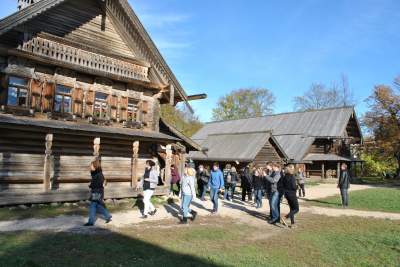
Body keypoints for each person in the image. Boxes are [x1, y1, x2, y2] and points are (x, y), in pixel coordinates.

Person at [84, 161, 112, 226]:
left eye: (91, 165)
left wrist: (91, 184)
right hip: (95, 191)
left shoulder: (99, 174)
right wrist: (91, 184)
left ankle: (91, 221)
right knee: (97, 206)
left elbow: (100, 184)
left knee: (92, 205)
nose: (90, 166)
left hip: (97, 192)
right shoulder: (95, 174)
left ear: (94, 166)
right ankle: (108, 216)